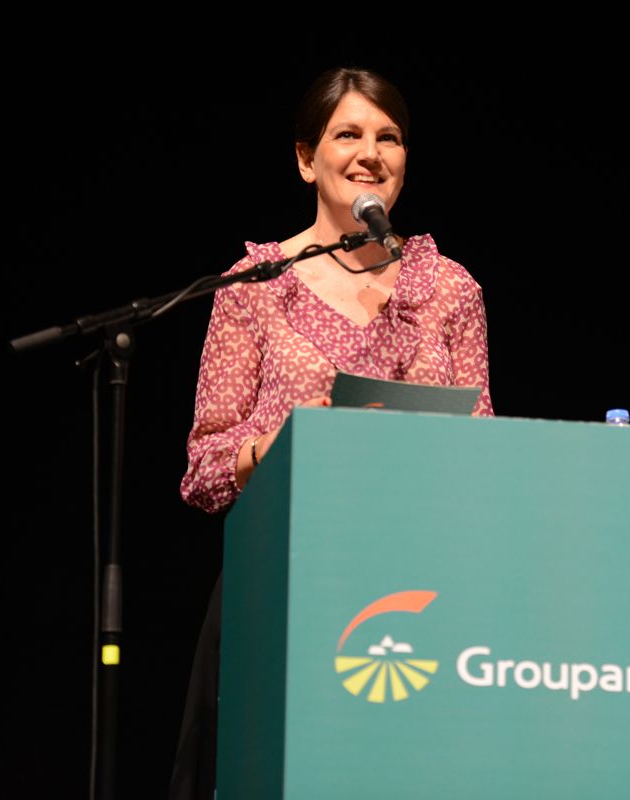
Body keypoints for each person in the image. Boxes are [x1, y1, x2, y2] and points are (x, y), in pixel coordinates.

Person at [168, 67, 493, 799]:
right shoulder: (255, 285)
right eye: (348, 134)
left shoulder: (450, 289)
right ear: (305, 158)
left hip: (417, 591)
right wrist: (290, 442)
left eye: (389, 137)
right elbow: (204, 469)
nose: (370, 153)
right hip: (285, 579)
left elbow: (485, 446)